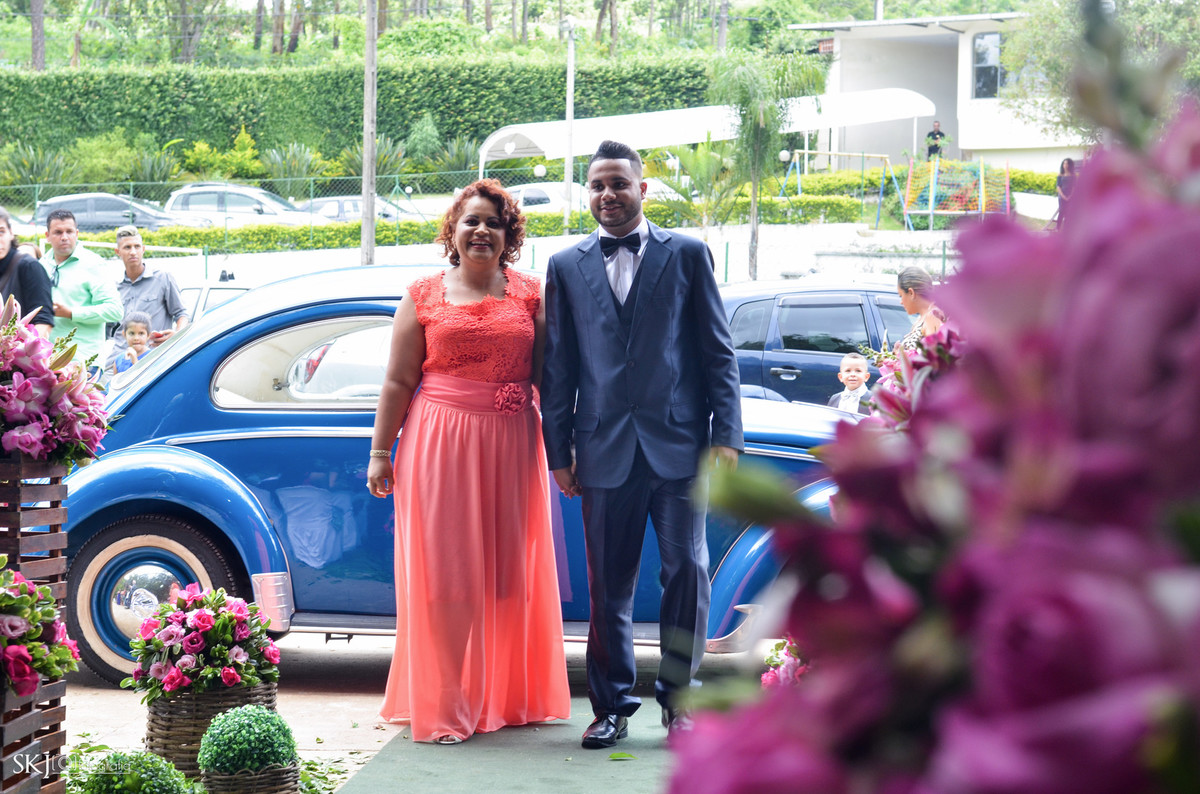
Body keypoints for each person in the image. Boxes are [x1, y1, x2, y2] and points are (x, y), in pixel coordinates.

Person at [541, 140, 743, 749]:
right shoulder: (565, 265)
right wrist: (559, 451)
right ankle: (610, 707)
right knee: (610, 585)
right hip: (602, 451)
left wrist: (726, 435)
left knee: (687, 573)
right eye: (598, 185)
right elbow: (558, 368)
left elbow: (717, 352)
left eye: (619, 185)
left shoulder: (686, 254)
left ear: (642, 189)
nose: (608, 195)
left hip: (680, 447)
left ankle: (680, 702)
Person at [367, 179, 570, 745]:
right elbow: (398, 380)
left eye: (495, 223)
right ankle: (448, 700)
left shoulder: (532, 293)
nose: (482, 231)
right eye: (471, 221)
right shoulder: (424, 293)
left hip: (511, 443)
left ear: (509, 236)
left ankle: (505, 696)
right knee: (447, 576)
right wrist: (381, 452)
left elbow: (552, 382)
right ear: (452, 232)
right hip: (439, 441)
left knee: (508, 577)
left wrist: (564, 452)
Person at [40, 209, 123, 373]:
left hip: (83, 362)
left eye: (69, 231)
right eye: (58, 232)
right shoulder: (40, 265)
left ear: (77, 233)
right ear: (47, 236)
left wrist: (71, 313)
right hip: (45, 361)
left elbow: (115, 311)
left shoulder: (94, 264)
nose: (64, 237)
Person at [107, 226, 188, 370]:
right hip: (119, 360)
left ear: (143, 249)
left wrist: (176, 335)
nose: (133, 252)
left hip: (152, 361)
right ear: (118, 252)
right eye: (127, 247)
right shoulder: (114, 286)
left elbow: (181, 314)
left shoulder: (163, 278)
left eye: (137, 246)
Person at [0, 207, 54, 338]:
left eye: (1, 232)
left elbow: (43, 320)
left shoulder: (28, 266)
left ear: (11, 233)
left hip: (15, 354)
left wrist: (25, 352)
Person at [896, 265, 944, 351]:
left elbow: (935, 359)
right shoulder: (921, 318)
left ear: (911, 293)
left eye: (901, 296)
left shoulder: (932, 316)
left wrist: (899, 361)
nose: (901, 302)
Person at [1056, 157, 1077, 230]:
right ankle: (1057, 228)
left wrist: (1070, 196)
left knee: (1068, 213)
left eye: (1067, 163)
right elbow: (1058, 187)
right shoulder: (1060, 175)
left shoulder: (1073, 176)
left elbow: (1074, 187)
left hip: (1070, 197)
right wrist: (1063, 196)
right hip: (1061, 197)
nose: (1065, 165)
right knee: (1061, 211)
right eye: (1064, 163)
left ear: (1070, 165)